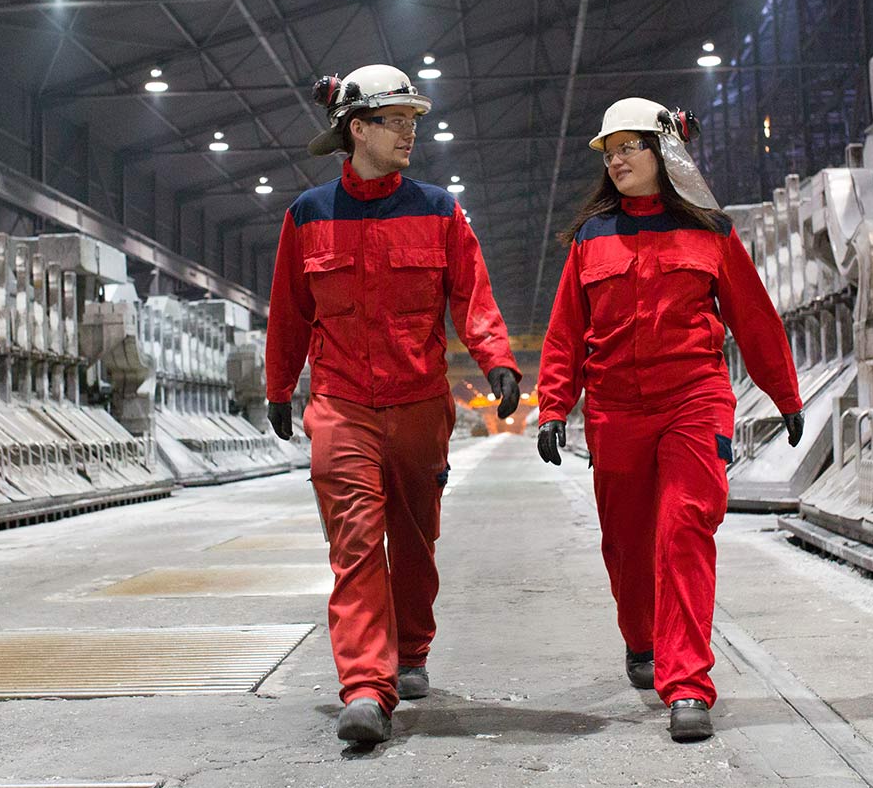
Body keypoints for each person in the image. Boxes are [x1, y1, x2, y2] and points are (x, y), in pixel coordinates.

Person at [265, 64, 522, 744]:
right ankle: (364, 686)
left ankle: (411, 648)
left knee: (413, 539)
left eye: (414, 121)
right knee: (354, 542)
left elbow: (471, 295)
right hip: (342, 403)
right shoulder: (308, 215)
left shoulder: (438, 210)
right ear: (358, 129)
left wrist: (496, 358)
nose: (411, 133)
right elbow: (288, 312)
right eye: (397, 121)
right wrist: (279, 385)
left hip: (418, 404)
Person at [533, 97, 803, 742]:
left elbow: (754, 318)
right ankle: (642, 639)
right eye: (610, 151)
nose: (616, 159)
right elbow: (566, 331)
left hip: (693, 398)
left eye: (629, 146)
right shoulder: (590, 238)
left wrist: (785, 394)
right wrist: (553, 406)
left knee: (684, 528)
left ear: (665, 152)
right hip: (615, 410)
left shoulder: (712, 232)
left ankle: (687, 685)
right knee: (627, 544)